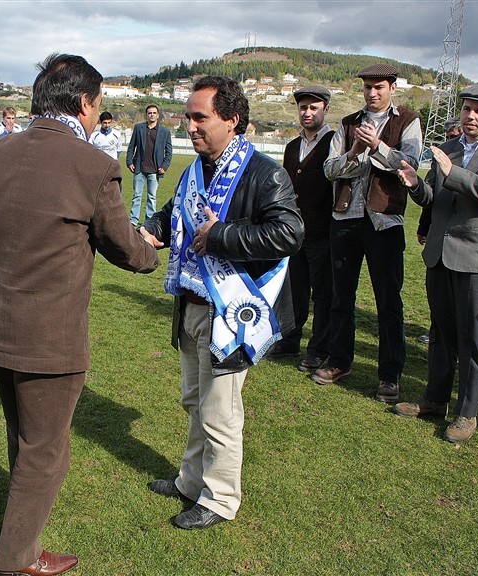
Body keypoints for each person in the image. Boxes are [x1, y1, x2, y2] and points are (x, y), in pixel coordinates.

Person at [0, 53, 158, 576]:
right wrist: (152, 248)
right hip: (50, 340)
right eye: (98, 105)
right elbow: (125, 249)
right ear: (84, 103)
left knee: (25, 439)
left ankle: (20, 532)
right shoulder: (94, 165)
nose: (98, 114)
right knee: (45, 452)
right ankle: (16, 557)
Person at [139, 77, 303, 529]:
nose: (188, 125)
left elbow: (289, 233)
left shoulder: (265, 173)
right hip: (192, 305)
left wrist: (221, 236)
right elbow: (173, 215)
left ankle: (220, 498)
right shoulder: (195, 170)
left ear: (232, 120)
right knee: (194, 401)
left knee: (220, 412)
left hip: (232, 313)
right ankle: (190, 480)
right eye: (186, 117)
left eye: (199, 117)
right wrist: (148, 230)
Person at [314, 64, 422, 403]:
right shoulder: (348, 124)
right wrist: (355, 152)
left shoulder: (408, 120)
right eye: (367, 88)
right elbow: (330, 170)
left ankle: (390, 375)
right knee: (340, 297)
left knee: (388, 301)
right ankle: (339, 361)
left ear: (392, 88)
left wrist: (377, 147)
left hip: (385, 221)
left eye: (378, 87)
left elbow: (411, 165)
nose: (372, 93)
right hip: (346, 218)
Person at [393, 83, 478, 443]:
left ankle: (466, 413)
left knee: (472, 341)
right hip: (439, 255)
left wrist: (453, 172)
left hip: (477, 260)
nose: (470, 115)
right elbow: (433, 199)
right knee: (440, 335)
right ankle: (434, 400)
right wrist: (415, 185)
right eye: (467, 108)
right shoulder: (447, 149)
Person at [267, 86, 334, 372]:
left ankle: (319, 349)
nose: (307, 113)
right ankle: (289, 339)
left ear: (325, 110)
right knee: (293, 291)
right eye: (303, 107)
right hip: (294, 233)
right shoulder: (293, 146)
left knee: (323, 294)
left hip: (324, 231)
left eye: (313, 107)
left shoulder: (334, 142)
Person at [416, 117, 461, 246]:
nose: (449, 142)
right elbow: (431, 195)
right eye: (447, 138)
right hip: (440, 235)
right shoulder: (440, 158)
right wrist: (423, 228)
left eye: (453, 137)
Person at [126, 104, 173, 225]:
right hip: (139, 168)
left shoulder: (164, 132)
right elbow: (132, 146)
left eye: (154, 113)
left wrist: (165, 166)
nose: (151, 115)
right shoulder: (138, 128)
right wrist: (129, 161)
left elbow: (169, 152)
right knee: (137, 196)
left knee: (152, 197)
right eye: (149, 113)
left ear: (157, 115)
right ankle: (133, 220)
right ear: (146, 115)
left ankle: (150, 221)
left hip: (155, 170)